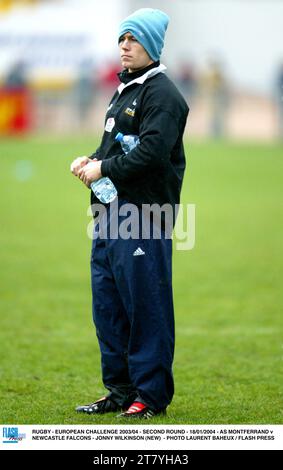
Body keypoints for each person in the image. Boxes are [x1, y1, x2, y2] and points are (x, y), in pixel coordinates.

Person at [70, 8, 189, 419]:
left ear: (152, 46)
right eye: (122, 38)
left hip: (144, 216)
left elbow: (153, 155)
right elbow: (114, 149)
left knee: (146, 308)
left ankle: (150, 397)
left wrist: (104, 167)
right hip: (108, 217)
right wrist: (91, 160)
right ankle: (119, 391)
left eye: (133, 39)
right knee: (108, 308)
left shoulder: (164, 95)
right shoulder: (124, 91)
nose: (124, 46)